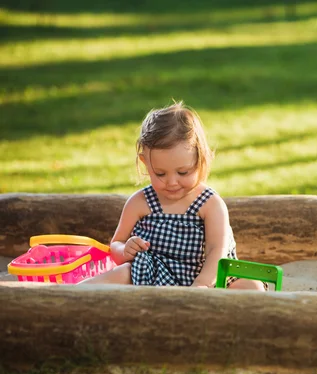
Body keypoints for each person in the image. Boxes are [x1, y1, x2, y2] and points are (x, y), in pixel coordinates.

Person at [80, 101, 265, 290]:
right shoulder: (140, 203)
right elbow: (116, 244)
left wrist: (200, 285)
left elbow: (217, 251)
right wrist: (125, 249)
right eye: (160, 174)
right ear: (145, 162)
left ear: (200, 159)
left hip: (209, 280)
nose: (172, 182)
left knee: (252, 287)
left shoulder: (210, 204)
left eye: (183, 172)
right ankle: (68, 293)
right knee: (123, 272)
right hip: (154, 278)